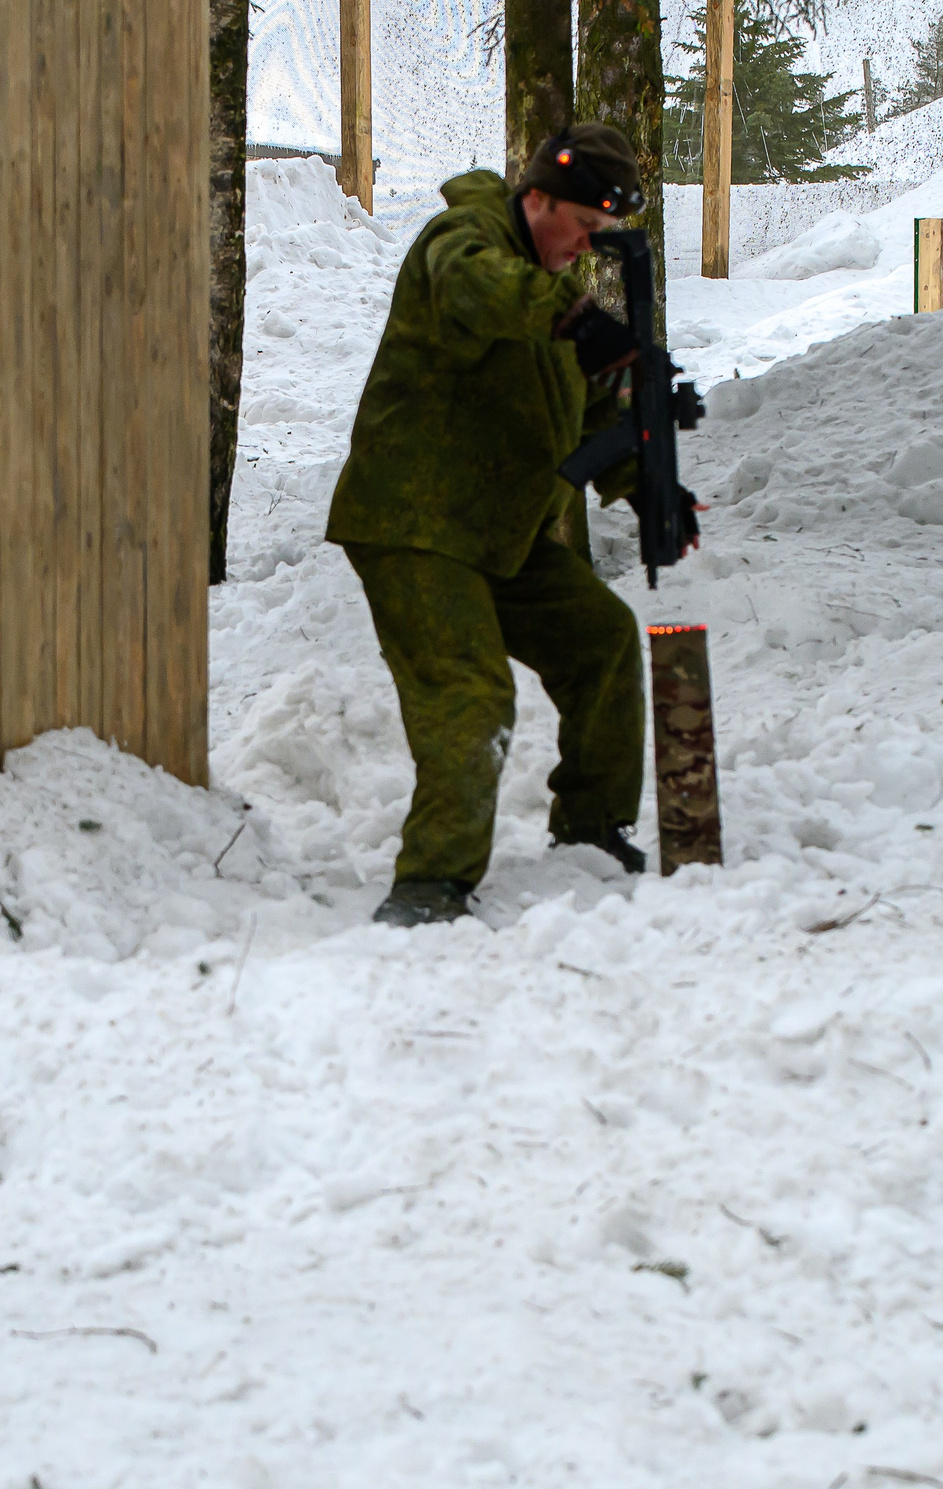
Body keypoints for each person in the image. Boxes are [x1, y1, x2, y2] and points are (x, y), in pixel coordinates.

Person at [327, 124, 668, 928]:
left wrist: (645, 485)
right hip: (414, 521)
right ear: (537, 197)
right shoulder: (465, 240)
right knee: (471, 693)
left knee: (603, 641)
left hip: (497, 528)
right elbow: (474, 289)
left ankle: (592, 830)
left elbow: (584, 413)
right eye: (580, 227)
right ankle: (430, 885)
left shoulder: (550, 296)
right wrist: (572, 317)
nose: (584, 247)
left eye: (598, 236)